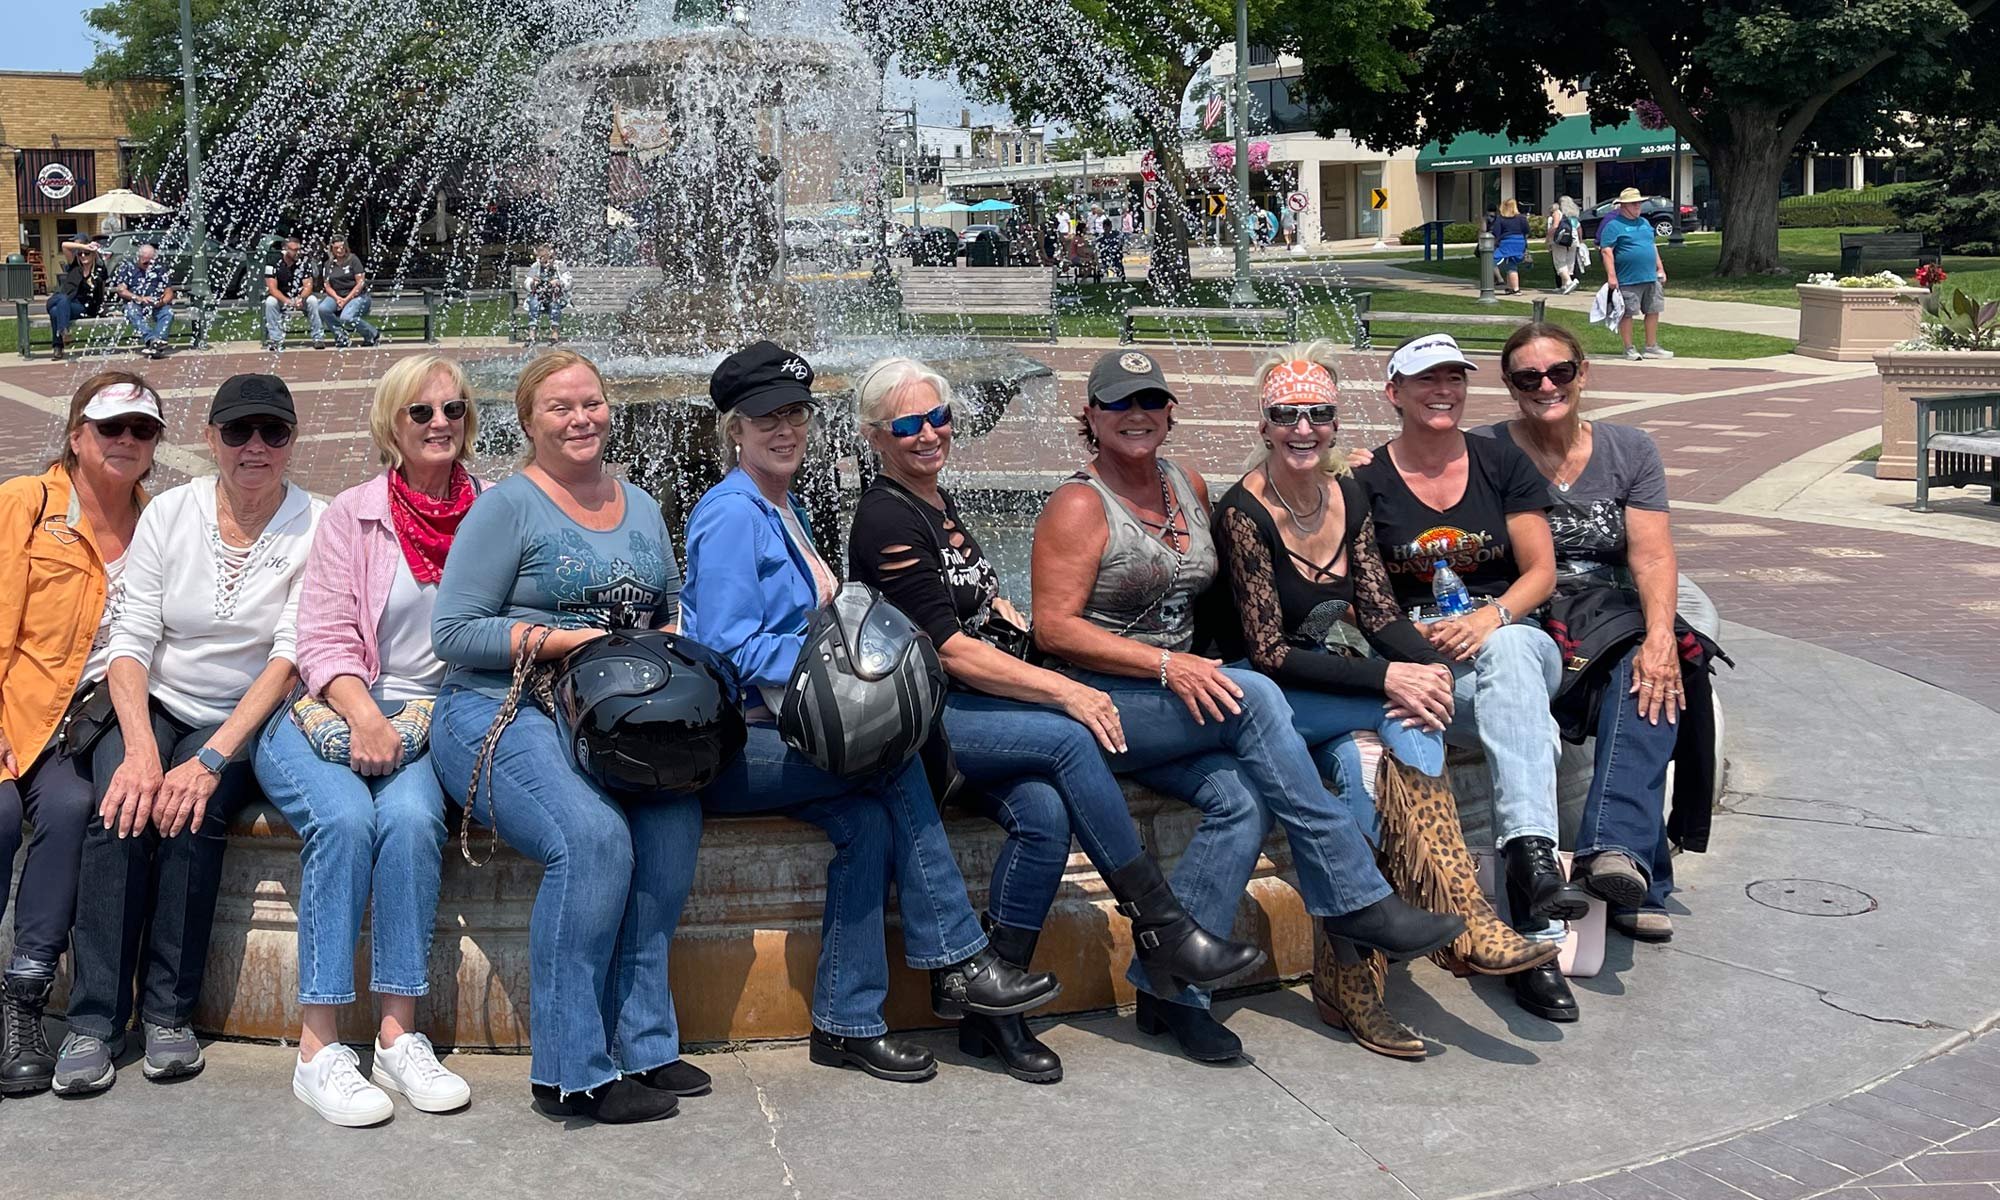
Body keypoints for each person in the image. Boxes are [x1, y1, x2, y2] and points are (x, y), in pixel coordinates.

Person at [1030, 347, 1464, 1063]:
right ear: (1091, 418)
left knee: (1244, 801)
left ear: (1170, 413)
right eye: (1118, 404)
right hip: (1104, 703)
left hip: (1178, 695)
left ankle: (1170, 993)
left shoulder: (1185, 484)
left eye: (1149, 402)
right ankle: (1360, 898)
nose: (1135, 416)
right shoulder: (1079, 504)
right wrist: (1170, 664)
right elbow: (1054, 627)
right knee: (1258, 692)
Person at [847, 356, 1261, 1084]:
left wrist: (1004, 615)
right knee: (1071, 736)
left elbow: (964, 611)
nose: (927, 435)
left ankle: (994, 1012)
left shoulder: (933, 500)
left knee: (1042, 815)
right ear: (874, 437)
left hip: (970, 711)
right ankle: (1162, 926)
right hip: (930, 726)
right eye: (906, 426)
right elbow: (946, 651)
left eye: (937, 418)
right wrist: (1064, 690)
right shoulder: (886, 515)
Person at [683, 342, 1060, 1085]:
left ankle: (846, 1023)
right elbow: (723, 647)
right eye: (766, 418)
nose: (784, 429)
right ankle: (958, 959)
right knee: (888, 761)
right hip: (738, 742)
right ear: (735, 428)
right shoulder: (731, 515)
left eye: (794, 413)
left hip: (779, 726)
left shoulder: (774, 501)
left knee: (868, 821)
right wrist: (834, 677)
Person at [1210, 345, 1558, 1059]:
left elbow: (1376, 613)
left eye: (1319, 414)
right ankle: (1463, 914)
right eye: (1286, 416)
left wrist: (1425, 666)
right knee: (1393, 706)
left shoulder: (1350, 496)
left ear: (1337, 421)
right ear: (1264, 422)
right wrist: (1390, 680)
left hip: (1324, 693)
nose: (1303, 429)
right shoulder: (1243, 512)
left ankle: (1352, 985)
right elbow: (1269, 651)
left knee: (1372, 767)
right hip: (1260, 694)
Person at [428, 349, 701, 1124]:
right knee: (590, 839)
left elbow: (669, 600)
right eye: (560, 408)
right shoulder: (507, 508)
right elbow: (454, 631)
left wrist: (674, 640)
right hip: (498, 710)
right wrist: (566, 642)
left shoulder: (641, 503)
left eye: (590, 403)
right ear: (528, 423)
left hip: (614, 720)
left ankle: (645, 1042)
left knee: (673, 822)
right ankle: (571, 1071)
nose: (580, 418)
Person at [53, 374, 322, 1096]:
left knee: (194, 815)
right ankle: (94, 1021)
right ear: (210, 440)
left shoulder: (315, 523)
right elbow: (132, 640)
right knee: (122, 807)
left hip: (240, 714)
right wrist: (140, 750)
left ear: (292, 442)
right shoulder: (170, 513)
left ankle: (170, 1014)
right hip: (153, 703)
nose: (255, 448)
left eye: (273, 432)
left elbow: (289, 655)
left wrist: (209, 758)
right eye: (238, 432)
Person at [252, 355, 481, 1126]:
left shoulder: (491, 513)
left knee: (415, 823)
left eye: (452, 409)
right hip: (324, 713)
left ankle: (396, 1038)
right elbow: (319, 639)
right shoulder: (354, 512)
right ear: (392, 424)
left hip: (424, 721)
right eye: (421, 412)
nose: (439, 423)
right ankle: (317, 1052)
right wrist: (366, 717)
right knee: (346, 821)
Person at [1350, 333, 1591, 1024]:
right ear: (1394, 392)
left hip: (1512, 637)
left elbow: (1540, 573)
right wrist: (1408, 641)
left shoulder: (1497, 461)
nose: (1443, 391)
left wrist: (1491, 617)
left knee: (1514, 657)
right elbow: (1357, 593)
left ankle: (1526, 859)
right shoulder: (1364, 481)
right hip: (1428, 664)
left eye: (1454, 379)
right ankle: (1536, 921)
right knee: (1524, 732)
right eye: (1426, 380)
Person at [1476, 322, 1690, 944]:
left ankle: (1616, 858)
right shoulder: (1485, 449)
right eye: (1528, 377)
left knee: (1659, 670)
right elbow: (1416, 479)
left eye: (1559, 372)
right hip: (1529, 607)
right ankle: (1635, 872)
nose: (1546, 385)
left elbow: (1651, 556)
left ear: (1583, 372)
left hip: (1606, 612)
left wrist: (1659, 638)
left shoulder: (1629, 450)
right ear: (1511, 387)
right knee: (1636, 672)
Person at [0, 373, 160, 1095]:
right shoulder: (25, 506)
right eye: (110, 427)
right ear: (76, 435)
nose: (126, 440)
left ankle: (24, 1001)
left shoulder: (156, 523)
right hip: (15, 711)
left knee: (72, 812)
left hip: (81, 730)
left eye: (142, 429)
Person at [1598, 187, 1671, 361]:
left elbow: (1652, 246)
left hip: (1650, 276)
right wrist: (1612, 276)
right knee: (1628, 313)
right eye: (1634, 203)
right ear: (1623, 206)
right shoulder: (1613, 226)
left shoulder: (1644, 224)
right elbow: (1606, 251)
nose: (1638, 206)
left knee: (1653, 310)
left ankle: (1651, 346)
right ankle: (1628, 348)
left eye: (1639, 203)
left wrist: (1660, 268)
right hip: (1628, 278)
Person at [111, 242, 175, 360]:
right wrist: (139, 298)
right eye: (146, 263)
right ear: (139, 258)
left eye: (152, 262)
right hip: (135, 303)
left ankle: (156, 344)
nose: (149, 265)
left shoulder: (160, 269)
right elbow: (121, 291)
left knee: (168, 313)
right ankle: (152, 340)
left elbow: (169, 292)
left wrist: (162, 301)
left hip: (156, 304)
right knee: (132, 311)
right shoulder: (127, 269)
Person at [48, 238, 108, 361]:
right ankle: (63, 332)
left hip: (80, 307)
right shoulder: (74, 265)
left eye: (86, 254)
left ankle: (58, 345)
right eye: (80, 253)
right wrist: (86, 247)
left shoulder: (99, 271)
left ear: (93, 255)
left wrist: (94, 250)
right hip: (60, 299)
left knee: (55, 312)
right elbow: (64, 245)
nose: (83, 256)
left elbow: (102, 287)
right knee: (62, 299)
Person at [316, 237, 380, 350]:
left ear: (346, 247)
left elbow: (360, 283)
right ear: (332, 249)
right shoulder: (328, 264)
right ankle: (341, 336)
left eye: (342, 247)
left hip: (357, 296)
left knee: (347, 317)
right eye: (336, 248)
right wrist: (337, 298)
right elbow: (327, 285)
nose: (339, 250)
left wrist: (346, 300)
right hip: (336, 295)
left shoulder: (353, 260)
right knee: (323, 309)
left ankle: (371, 333)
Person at [261, 237, 324, 352]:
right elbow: (272, 289)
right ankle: (276, 340)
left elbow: (308, 286)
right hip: (281, 297)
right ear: (285, 249)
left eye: (299, 249)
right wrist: (288, 301)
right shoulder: (273, 262)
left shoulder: (304, 262)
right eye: (294, 250)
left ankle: (318, 338)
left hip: (299, 296)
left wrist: (300, 298)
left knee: (313, 301)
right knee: (270, 302)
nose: (297, 253)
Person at [522, 244, 571, 344]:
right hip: (539, 296)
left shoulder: (559, 266)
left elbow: (569, 283)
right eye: (544, 260)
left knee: (555, 302)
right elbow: (527, 282)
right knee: (534, 302)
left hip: (556, 296)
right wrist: (532, 283)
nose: (547, 263)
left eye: (550, 259)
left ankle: (554, 333)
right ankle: (532, 334)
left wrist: (559, 282)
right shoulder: (536, 266)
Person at [1547, 196, 1586, 296]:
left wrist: (1548, 239)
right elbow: (1579, 228)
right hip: (1573, 239)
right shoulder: (1574, 216)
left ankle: (1568, 282)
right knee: (1570, 262)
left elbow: (1555, 226)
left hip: (1560, 240)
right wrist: (1580, 242)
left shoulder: (1558, 213)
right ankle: (1564, 286)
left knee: (1559, 262)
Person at [1491, 198, 1530, 295]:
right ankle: (1510, 287)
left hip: (1506, 242)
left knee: (1493, 260)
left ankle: (1516, 289)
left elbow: (1496, 232)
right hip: (1520, 241)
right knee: (1511, 263)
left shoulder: (1501, 218)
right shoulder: (1521, 218)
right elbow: (1526, 230)